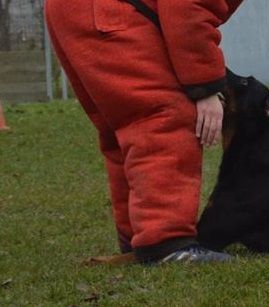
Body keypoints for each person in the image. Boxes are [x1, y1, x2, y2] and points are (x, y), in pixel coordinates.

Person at [45, 0, 243, 263]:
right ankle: (166, 243)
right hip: (107, 11)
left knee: (124, 125)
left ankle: (137, 235)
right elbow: (187, 10)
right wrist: (206, 86)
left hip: (74, 12)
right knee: (163, 115)